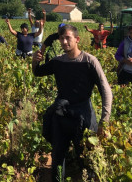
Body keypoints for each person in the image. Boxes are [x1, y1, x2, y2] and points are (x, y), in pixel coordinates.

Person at [32, 24, 112, 182]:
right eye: (61, 38)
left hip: (83, 113)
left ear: (77, 39)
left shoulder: (90, 61)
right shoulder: (58, 62)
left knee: (85, 157)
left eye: (67, 38)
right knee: (57, 155)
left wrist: (105, 120)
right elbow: (37, 72)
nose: (64, 41)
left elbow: (106, 91)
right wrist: (35, 61)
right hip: (61, 113)